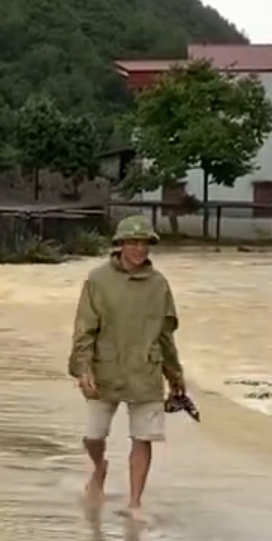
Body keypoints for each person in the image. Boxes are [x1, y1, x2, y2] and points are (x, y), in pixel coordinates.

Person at [68, 215, 183, 519]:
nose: (139, 249)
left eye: (144, 243)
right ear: (119, 245)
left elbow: (165, 335)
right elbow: (84, 329)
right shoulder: (97, 280)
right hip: (104, 368)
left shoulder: (159, 285)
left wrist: (176, 376)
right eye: (132, 242)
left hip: (146, 369)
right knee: (94, 435)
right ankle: (98, 467)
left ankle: (135, 502)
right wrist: (82, 369)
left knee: (143, 437)